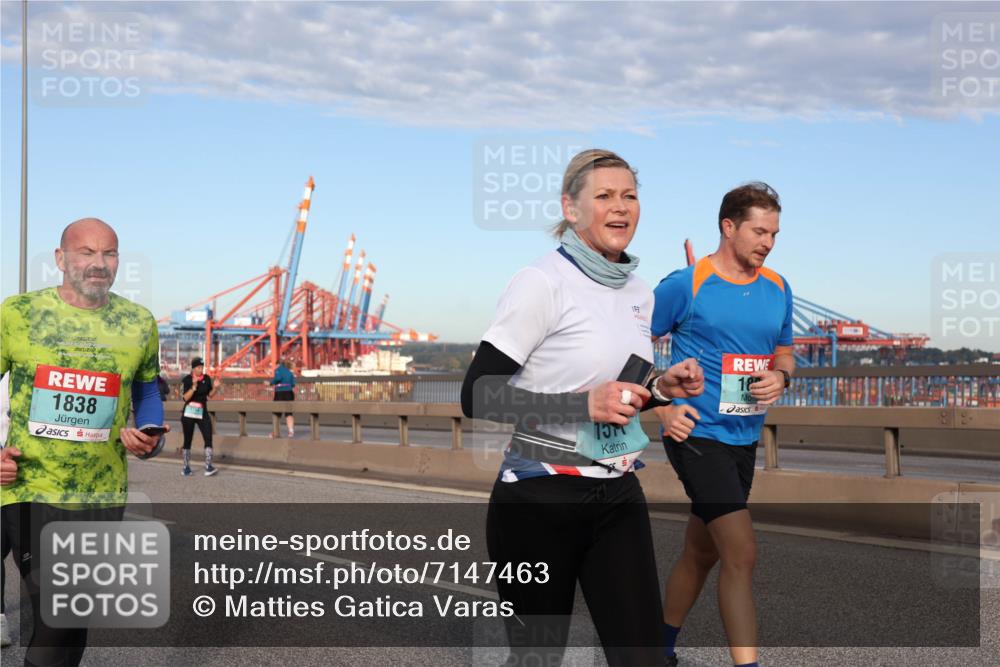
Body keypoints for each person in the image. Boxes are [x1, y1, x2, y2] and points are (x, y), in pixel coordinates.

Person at [461, 149, 705, 666]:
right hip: (538, 496)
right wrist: (581, 405)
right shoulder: (542, 281)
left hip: (616, 491)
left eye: (630, 195)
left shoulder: (640, 291)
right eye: (604, 196)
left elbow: (618, 392)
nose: (621, 207)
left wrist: (662, 388)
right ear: (571, 209)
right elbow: (477, 394)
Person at [0, 217, 165, 667]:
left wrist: (151, 435)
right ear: (61, 259)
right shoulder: (16, 314)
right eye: (86, 252)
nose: (99, 263)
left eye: (108, 253)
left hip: (100, 494)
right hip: (27, 486)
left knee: (69, 623)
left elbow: (148, 392)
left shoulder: (138, 323)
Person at [651, 183, 795, 667]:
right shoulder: (686, 284)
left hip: (743, 437)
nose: (768, 242)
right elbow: (624, 342)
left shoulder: (777, 286)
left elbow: (786, 349)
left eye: (774, 233)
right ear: (728, 227)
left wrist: (781, 374)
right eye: (759, 231)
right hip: (697, 433)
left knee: (701, 552)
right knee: (742, 551)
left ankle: (658, 649)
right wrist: (662, 406)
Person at [180, 357, 219, 476]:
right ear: (193, 368)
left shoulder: (206, 379)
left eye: (202, 367)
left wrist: (216, 387)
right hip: (189, 414)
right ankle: (186, 467)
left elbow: (210, 395)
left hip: (202, 412)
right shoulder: (187, 380)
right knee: (187, 440)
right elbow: (185, 398)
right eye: (198, 367)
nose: (201, 369)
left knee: (208, 437)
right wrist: (193, 387)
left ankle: (208, 466)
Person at [269, 358, 296, 438]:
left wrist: (271, 383)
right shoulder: (290, 371)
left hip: (280, 392)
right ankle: (291, 431)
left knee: (277, 413)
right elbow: (293, 384)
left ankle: (275, 432)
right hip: (289, 393)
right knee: (289, 413)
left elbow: (278, 378)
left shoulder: (278, 370)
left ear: (278, 364)